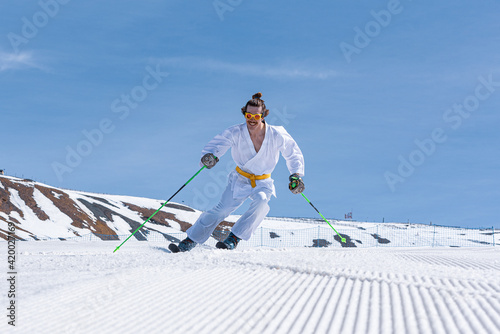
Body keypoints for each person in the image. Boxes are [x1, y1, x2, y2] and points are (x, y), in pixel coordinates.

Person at [176, 92, 305, 251]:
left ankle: (234, 237)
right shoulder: (236, 132)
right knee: (221, 210)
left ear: (263, 116)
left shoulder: (276, 134)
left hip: (263, 181)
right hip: (240, 178)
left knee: (262, 202)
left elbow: (293, 153)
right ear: (245, 114)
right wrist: (210, 156)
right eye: (248, 115)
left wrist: (296, 175)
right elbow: (218, 144)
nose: (252, 119)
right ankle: (191, 239)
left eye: (256, 116)